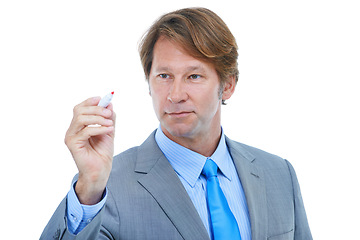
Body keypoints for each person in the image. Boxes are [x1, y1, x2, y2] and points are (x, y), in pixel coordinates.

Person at [41, 7, 312, 240]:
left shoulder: (279, 174)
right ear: (149, 83)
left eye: (193, 76)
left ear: (227, 85)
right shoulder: (105, 188)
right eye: (164, 76)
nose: (175, 95)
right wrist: (89, 186)